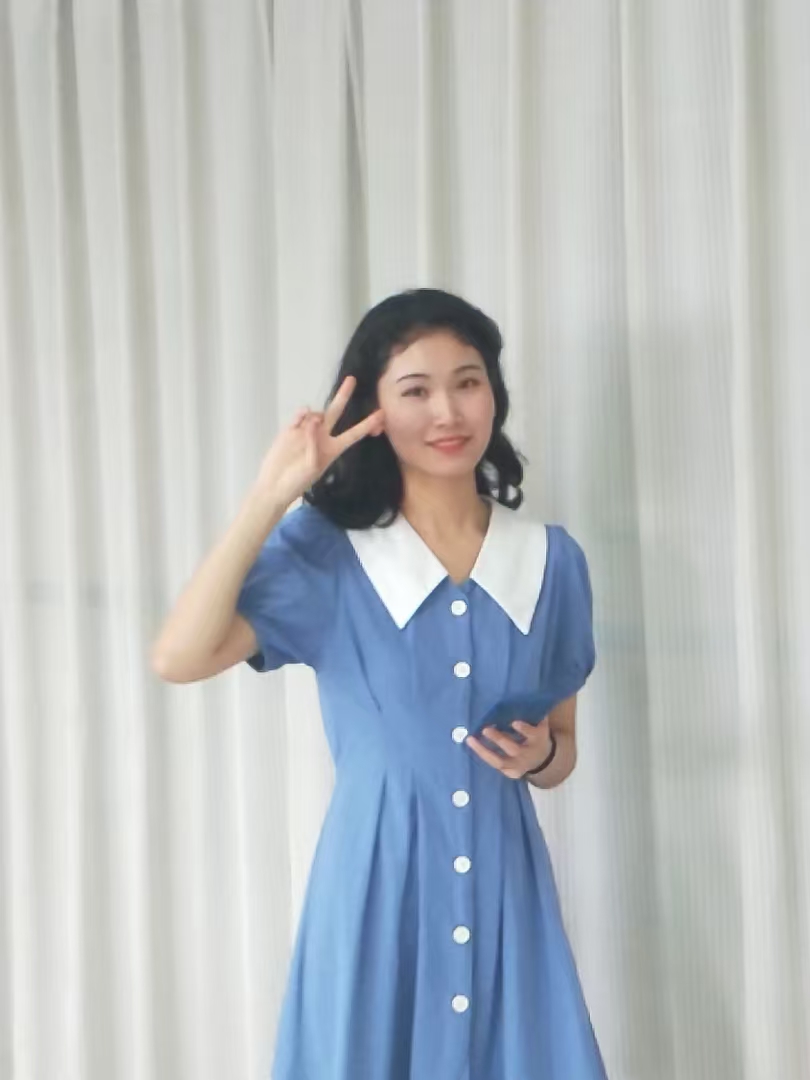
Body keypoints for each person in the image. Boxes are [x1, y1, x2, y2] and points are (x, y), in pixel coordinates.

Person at [151, 288, 607, 1079]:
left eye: (468, 382)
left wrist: (539, 755)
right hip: (374, 894)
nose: (448, 412)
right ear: (373, 411)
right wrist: (270, 496)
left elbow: (561, 750)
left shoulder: (550, 561)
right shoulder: (329, 555)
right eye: (416, 390)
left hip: (509, 899)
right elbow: (179, 656)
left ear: (494, 393)